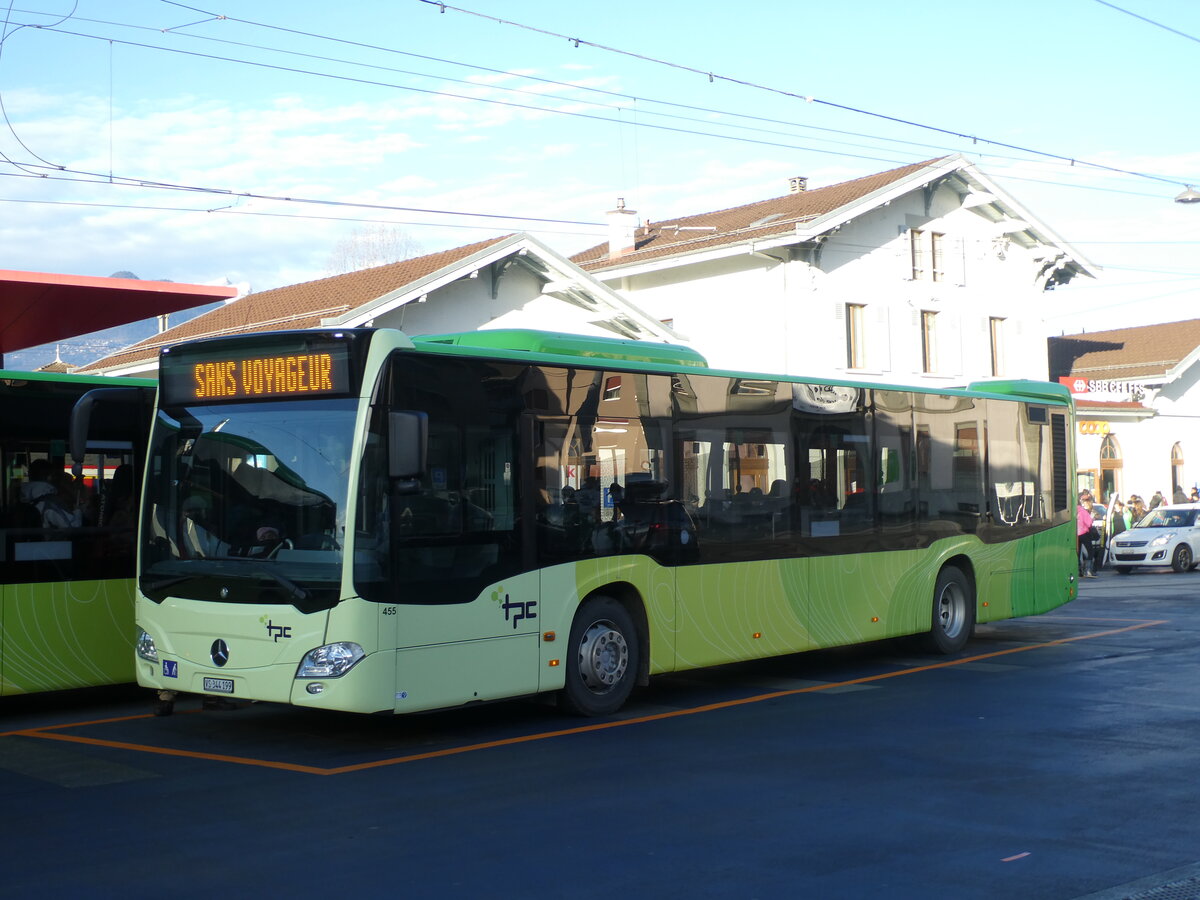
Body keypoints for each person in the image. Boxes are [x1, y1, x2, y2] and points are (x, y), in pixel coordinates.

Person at [20, 458, 82, 528]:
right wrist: (77, 511)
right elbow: (72, 526)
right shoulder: (50, 503)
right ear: (49, 477)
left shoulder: (21, 499)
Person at [1077, 491, 1097, 577]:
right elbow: (1088, 523)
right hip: (1084, 533)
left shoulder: (1074, 512)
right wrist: (1092, 519)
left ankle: (1078, 571)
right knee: (1090, 551)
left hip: (1076, 535)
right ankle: (1088, 570)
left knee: (1078, 552)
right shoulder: (1083, 511)